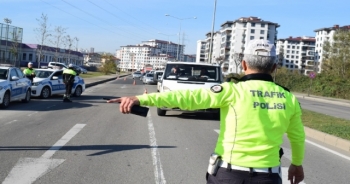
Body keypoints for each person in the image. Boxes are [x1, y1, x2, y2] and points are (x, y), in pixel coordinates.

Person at [107, 39, 305, 184]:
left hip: (229, 175)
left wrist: (141, 98)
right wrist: (296, 164)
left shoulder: (231, 91)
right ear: (274, 67)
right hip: (268, 177)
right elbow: (297, 137)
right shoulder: (288, 98)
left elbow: (185, 98)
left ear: (244, 65)